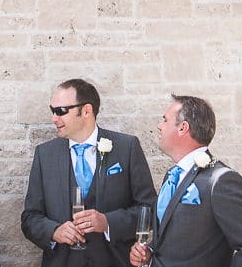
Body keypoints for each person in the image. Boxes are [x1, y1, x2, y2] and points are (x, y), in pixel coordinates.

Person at [22, 78, 157, 266]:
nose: (54, 118)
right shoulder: (45, 155)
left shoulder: (126, 147)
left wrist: (108, 222)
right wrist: (54, 231)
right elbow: (30, 218)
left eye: (60, 111)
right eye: (52, 111)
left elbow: (149, 210)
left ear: (86, 111)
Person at [129, 95, 242, 267]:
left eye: (165, 120)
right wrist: (149, 255)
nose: (159, 126)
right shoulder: (172, 176)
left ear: (183, 128)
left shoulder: (221, 181)